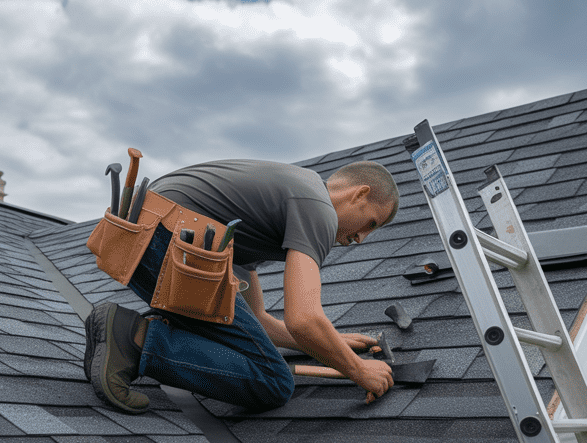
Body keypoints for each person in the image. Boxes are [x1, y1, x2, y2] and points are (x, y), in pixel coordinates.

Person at [84, 159, 400, 414]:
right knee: (272, 382)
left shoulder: (282, 199)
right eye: (371, 223)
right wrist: (359, 370)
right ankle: (134, 339)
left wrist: (330, 344)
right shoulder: (319, 209)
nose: (361, 238)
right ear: (359, 194)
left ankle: (123, 336)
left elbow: (259, 320)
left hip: (135, 236)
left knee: (236, 344)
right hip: (171, 238)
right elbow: (303, 320)